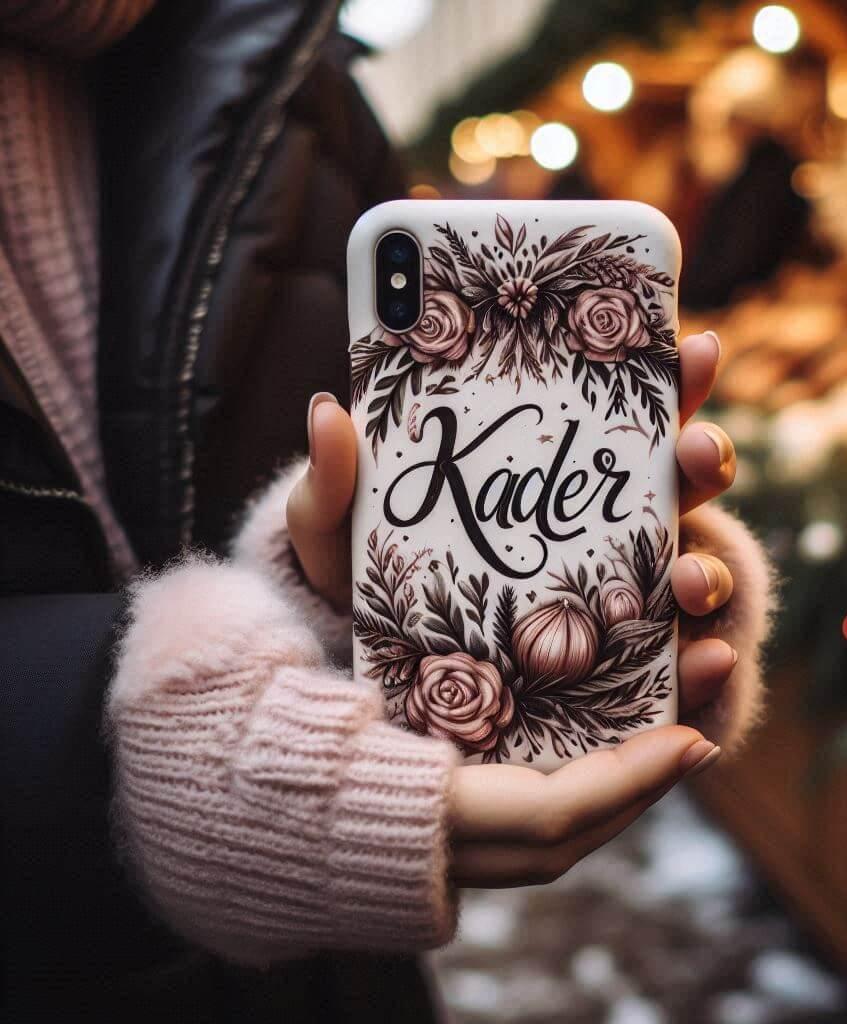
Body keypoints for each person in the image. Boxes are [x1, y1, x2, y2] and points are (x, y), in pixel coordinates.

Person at [1, 3, 774, 1021]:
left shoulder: (293, 72)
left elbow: (359, 463)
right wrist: (129, 765)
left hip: (336, 983)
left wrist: (316, 590)